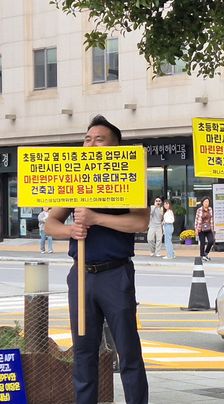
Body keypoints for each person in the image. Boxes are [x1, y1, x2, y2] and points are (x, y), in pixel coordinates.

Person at [44, 115, 149, 404]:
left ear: (117, 147)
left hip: (116, 274)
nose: (91, 143)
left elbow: (140, 223)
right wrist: (69, 229)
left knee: (128, 351)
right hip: (81, 275)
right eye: (87, 139)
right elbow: (50, 223)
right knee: (83, 351)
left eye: (99, 139)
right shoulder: (75, 179)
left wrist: (95, 218)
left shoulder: (129, 177)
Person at [194, 196, 215, 261]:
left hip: (208, 228)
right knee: (202, 243)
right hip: (201, 229)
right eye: (205, 202)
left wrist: (212, 229)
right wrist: (196, 229)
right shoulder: (199, 210)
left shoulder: (210, 209)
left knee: (211, 241)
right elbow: (196, 220)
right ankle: (202, 256)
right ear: (202, 202)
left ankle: (205, 253)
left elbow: (212, 219)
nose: (206, 203)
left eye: (207, 202)